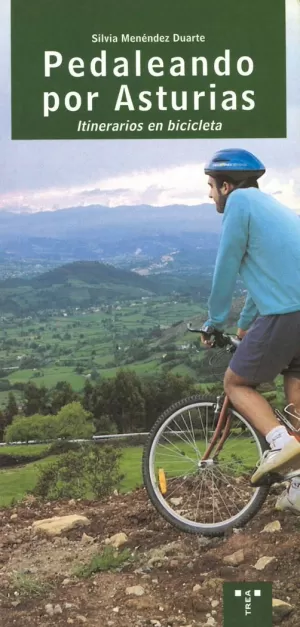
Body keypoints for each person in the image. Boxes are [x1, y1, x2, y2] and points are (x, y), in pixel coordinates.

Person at [202, 147, 300, 514]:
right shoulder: (270, 208)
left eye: (211, 186)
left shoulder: (239, 204)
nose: (210, 193)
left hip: (288, 314)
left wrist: (215, 321)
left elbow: (226, 264)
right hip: (295, 309)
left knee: (236, 382)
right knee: (295, 386)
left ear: (226, 186)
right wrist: (244, 327)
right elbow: (273, 277)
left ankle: (278, 442)